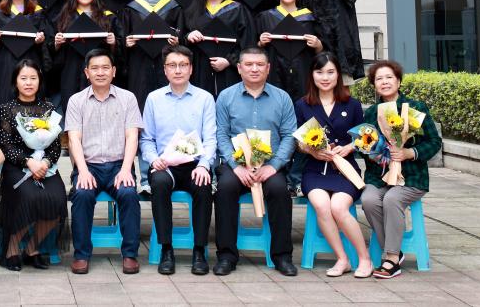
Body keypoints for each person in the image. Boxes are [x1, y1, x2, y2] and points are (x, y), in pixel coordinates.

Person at [213, 47, 298, 277]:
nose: (254, 69)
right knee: (225, 188)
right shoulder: (226, 97)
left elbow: (289, 135)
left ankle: (282, 256)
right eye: (248, 64)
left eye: (260, 64)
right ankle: (226, 256)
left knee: (279, 190)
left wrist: (274, 165)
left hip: (269, 166)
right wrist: (235, 166)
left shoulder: (282, 98)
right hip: (236, 165)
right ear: (239, 68)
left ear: (268, 68)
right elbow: (221, 134)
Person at [360, 60, 442, 280]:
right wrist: (376, 153)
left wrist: (409, 152)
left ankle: (391, 258)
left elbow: (434, 142)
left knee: (391, 199)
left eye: (389, 77)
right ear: (374, 85)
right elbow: (364, 148)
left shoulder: (415, 108)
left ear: (398, 81)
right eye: (379, 79)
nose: (385, 82)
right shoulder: (371, 113)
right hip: (379, 176)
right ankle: (394, 251)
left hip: (412, 177)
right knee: (368, 199)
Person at [65, 48, 143, 276]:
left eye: (105, 68)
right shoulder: (76, 101)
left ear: (114, 71)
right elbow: (74, 139)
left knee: (129, 194)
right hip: (88, 166)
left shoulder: (127, 98)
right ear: (86, 73)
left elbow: (132, 137)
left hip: (119, 165)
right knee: (82, 194)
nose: (100, 72)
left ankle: (130, 254)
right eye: (95, 68)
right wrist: (82, 171)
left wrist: (127, 170)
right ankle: (81, 254)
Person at [293, 52, 371, 278]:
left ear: (338, 75)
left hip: (345, 170)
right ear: (312, 75)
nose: (325, 77)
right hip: (314, 170)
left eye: (330, 72)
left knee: (338, 207)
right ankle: (342, 259)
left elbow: (365, 137)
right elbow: (298, 143)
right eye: (319, 72)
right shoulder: (302, 105)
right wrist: (313, 151)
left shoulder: (352, 104)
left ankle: (364, 259)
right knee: (321, 204)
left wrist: (350, 148)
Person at [140, 45, 216, 276]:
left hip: (195, 164)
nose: (178, 70)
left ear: (191, 69)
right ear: (165, 70)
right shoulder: (154, 99)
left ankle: (199, 251)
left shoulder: (205, 98)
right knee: (159, 183)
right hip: (165, 165)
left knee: (203, 186)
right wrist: (154, 160)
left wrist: (204, 164)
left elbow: (210, 138)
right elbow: (147, 139)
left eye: (183, 65)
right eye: (172, 65)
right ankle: (166, 249)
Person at [0, 59, 67, 271]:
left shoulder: (48, 108)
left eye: (33, 78)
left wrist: (44, 162)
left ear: (39, 81)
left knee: (57, 199)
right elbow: (6, 146)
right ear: (15, 81)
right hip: (17, 166)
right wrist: (28, 162)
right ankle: (12, 248)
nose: (28, 83)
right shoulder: (7, 109)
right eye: (24, 78)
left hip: (46, 167)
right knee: (28, 197)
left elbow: (55, 146)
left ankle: (32, 248)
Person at [52, 0, 122, 116]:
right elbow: (50, 53)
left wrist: (113, 43)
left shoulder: (107, 17)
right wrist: (56, 44)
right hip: (71, 73)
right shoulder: (64, 16)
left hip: (99, 73)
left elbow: (121, 51)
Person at [184, 0, 256, 98]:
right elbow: (181, 40)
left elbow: (248, 42)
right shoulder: (192, 11)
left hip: (230, 72)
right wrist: (188, 36)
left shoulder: (238, 10)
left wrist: (230, 61)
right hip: (200, 70)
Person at [256, 0, 324, 101]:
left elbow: (322, 51)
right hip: (274, 73)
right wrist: (260, 43)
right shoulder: (265, 17)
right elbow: (253, 49)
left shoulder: (310, 17)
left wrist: (318, 44)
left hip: (303, 73)